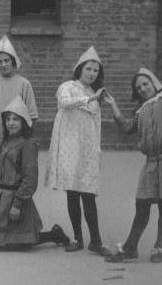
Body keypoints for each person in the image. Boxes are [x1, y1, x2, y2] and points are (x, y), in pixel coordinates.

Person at [104, 68, 162, 263]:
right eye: (138, 87)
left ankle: (159, 247)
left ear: (154, 83)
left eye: (145, 84)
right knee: (142, 203)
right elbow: (128, 127)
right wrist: (113, 106)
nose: (143, 89)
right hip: (152, 163)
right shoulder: (143, 109)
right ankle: (131, 247)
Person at [0, 97, 69, 250]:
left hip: (15, 196)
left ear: (24, 122)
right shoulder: (6, 140)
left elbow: (30, 179)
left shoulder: (28, 145)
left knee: (20, 243)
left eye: (16, 119)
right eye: (8, 119)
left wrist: (17, 205)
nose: (11, 123)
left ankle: (54, 235)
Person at [46, 46, 111, 255]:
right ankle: (77, 238)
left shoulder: (94, 93)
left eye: (95, 71)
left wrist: (97, 149)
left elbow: (96, 125)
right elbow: (63, 103)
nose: (92, 74)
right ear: (80, 69)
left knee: (89, 194)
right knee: (73, 194)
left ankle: (96, 241)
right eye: (88, 69)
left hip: (88, 151)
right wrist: (89, 99)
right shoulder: (68, 86)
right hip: (69, 147)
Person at [0, 36, 38, 182]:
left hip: (16, 139)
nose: (3, 64)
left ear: (13, 61)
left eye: (7, 60)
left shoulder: (24, 84)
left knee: (14, 178)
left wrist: (23, 139)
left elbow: (32, 115)